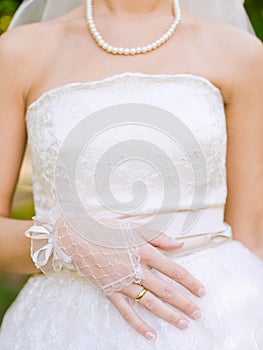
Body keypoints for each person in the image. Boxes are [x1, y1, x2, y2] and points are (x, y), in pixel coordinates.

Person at [0, 0, 263, 348]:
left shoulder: (241, 53)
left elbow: (252, 235)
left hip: (217, 313)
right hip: (69, 322)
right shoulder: (19, 52)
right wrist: (65, 241)